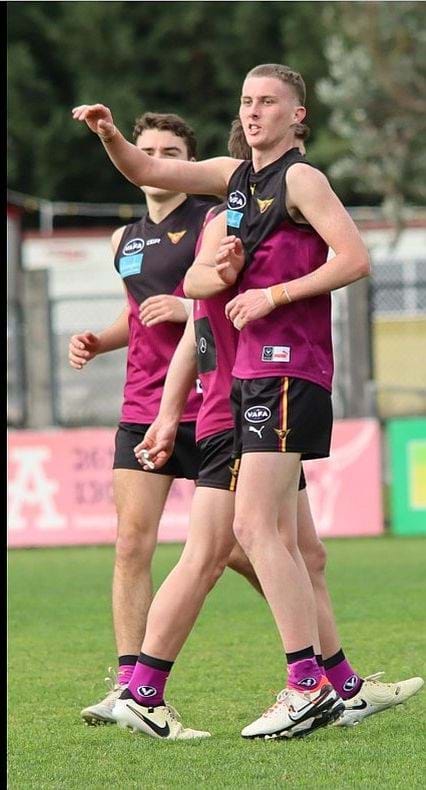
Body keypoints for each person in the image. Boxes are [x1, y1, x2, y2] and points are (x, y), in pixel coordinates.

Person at [74, 62, 382, 738]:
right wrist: (107, 136)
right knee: (256, 539)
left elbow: (355, 259)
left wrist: (273, 294)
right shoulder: (235, 178)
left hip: (285, 367)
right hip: (248, 377)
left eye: (269, 102)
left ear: (298, 115)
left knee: (254, 533)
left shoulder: (301, 178)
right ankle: (324, 686)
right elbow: (150, 174)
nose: (254, 112)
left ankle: (308, 686)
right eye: (246, 101)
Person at [69, 113, 262, 726]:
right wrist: (100, 341)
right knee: (132, 544)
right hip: (140, 407)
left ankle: (311, 637)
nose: (155, 157)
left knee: (236, 548)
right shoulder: (121, 239)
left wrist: (188, 305)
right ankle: (129, 684)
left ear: (185, 159)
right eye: (147, 148)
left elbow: (222, 297)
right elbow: (138, 314)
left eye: (168, 150)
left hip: (207, 405)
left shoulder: (211, 220)